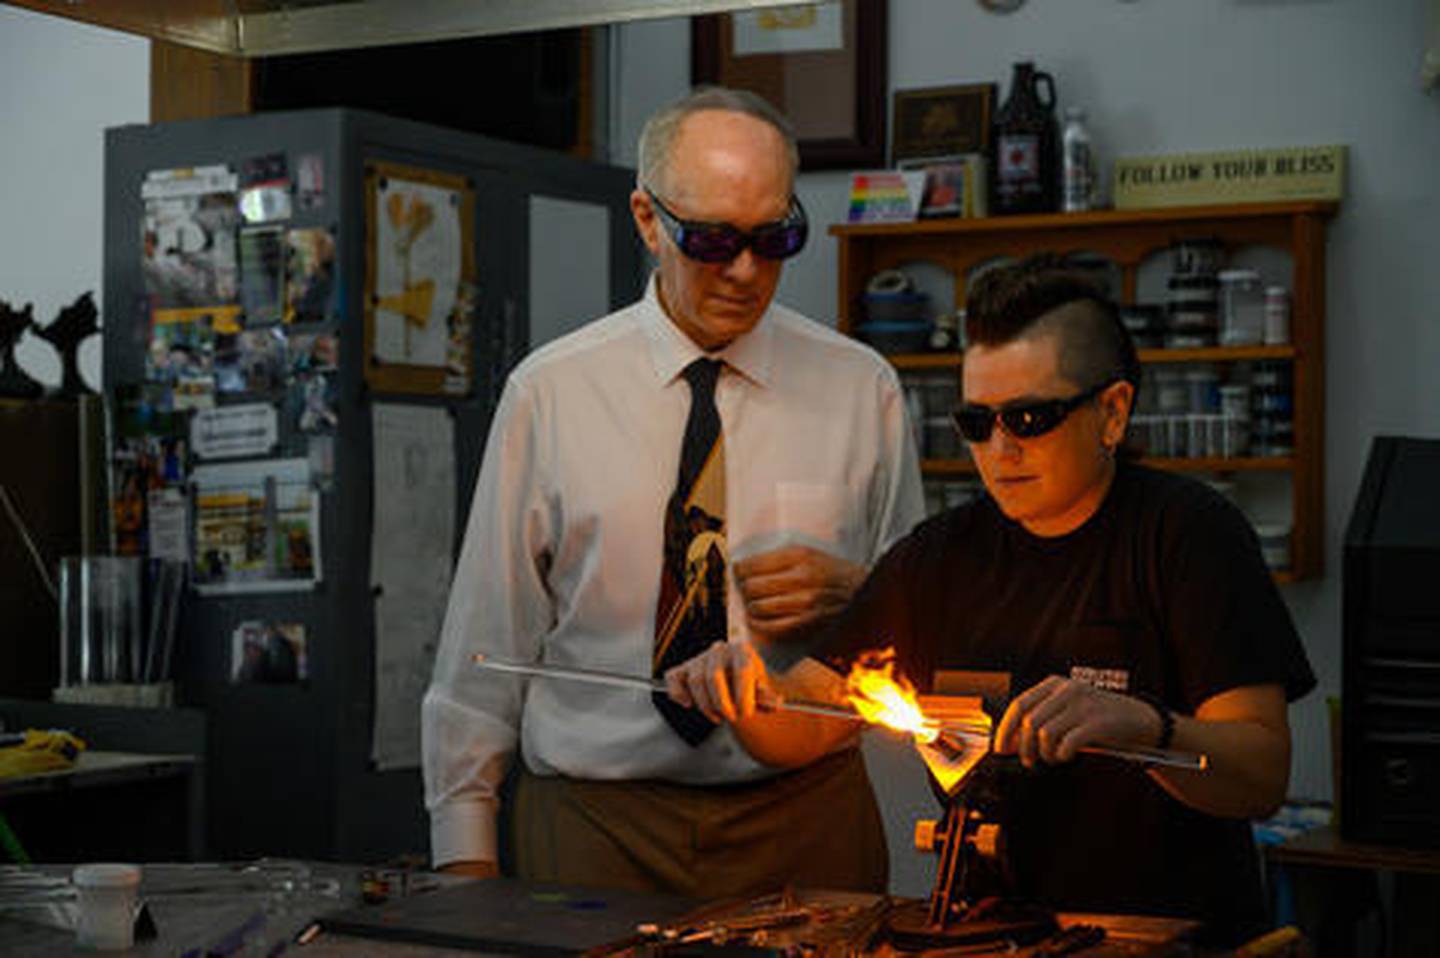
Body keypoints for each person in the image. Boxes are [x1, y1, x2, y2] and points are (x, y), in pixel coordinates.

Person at [422, 86, 925, 899]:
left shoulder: (860, 390)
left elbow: (925, 619)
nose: (745, 269)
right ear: (648, 221)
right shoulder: (552, 394)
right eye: (712, 239)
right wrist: (465, 859)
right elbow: (484, 647)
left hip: (803, 819)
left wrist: (862, 596)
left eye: (775, 237)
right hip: (594, 823)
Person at [818, 256, 1315, 947]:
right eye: (976, 422)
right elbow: (809, 709)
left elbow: (1260, 774)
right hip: (992, 935)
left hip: (1167, 936)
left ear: (1112, 412)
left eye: (1029, 417)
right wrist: (737, 684)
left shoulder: (1189, 535)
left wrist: (1141, 727)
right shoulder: (939, 555)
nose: (999, 448)